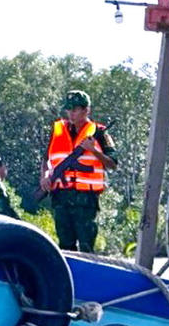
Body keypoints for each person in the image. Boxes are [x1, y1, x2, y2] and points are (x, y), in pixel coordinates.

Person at [39, 89, 117, 253]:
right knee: (65, 247)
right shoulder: (57, 130)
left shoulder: (99, 133)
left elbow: (113, 164)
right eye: (68, 109)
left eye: (74, 109)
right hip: (61, 198)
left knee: (86, 247)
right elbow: (47, 159)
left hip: (85, 200)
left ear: (86, 110)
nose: (70, 113)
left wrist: (94, 151)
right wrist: (45, 176)